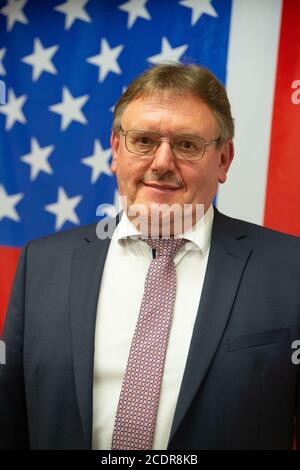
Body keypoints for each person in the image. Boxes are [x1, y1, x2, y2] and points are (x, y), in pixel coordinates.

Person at [0, 63, 299, 450]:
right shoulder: (42, 264)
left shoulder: (290, 270)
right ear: (115, 150)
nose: (161, 162)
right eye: (143, 141)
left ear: (224, 160)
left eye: (187, 144)